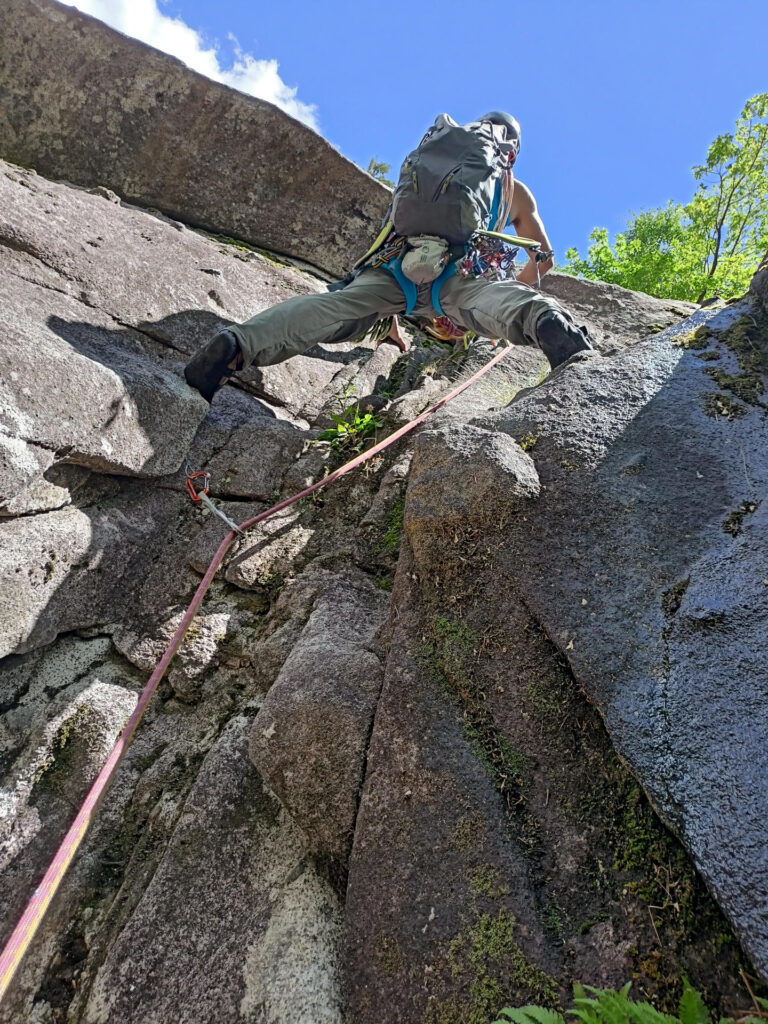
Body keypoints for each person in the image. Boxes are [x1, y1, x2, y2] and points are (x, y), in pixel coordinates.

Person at [184, 112, 591, 403]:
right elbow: (544, 258)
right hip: (459, 271)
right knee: (489, 302)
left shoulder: (431, 169)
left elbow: (389, 234)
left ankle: (236, 343)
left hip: (397, 266)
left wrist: (387, 319)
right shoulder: (515, 192)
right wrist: (502, 300)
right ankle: (547, 323)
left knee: (336, 308)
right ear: (511, 153)